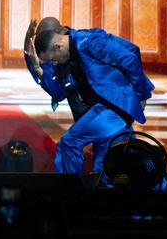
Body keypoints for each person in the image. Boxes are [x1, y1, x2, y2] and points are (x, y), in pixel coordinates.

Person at [35, 27, 154, 176]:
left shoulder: (89, 41)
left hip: (114, 106)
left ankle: (67, 192)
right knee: (106, 168)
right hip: (101, 109)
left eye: (53, 59)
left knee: (69, 143)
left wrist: (141, 94)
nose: (54, 63)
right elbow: (58, 92)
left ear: (58, 46)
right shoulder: (67, 56)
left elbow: (129, 56)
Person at [23, 17, 88, 121]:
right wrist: (27, 44)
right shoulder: (59, 53)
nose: (53, 61)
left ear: (54, 36)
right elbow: (57, 91)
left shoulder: (85, 42)